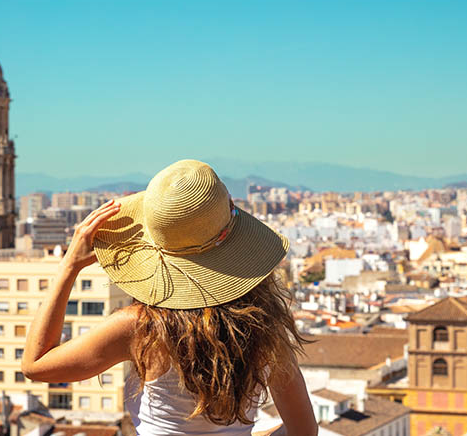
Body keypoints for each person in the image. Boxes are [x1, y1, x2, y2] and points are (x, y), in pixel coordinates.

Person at [22, 160, 317, 435]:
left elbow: (36, 365)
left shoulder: (142, 328)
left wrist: (68, 266)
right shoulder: (265, 327)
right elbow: (304, 430)